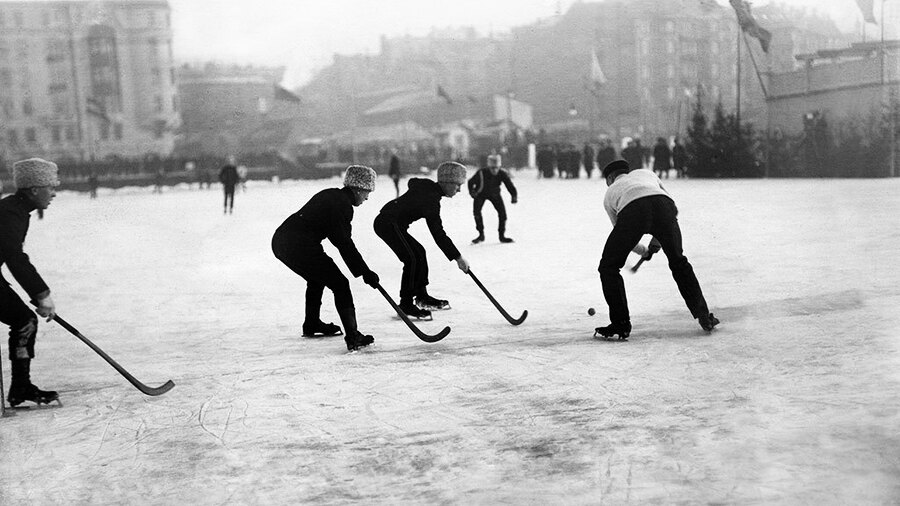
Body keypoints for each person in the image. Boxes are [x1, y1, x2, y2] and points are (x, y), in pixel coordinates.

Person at [595, 159, 719, 339]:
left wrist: (643, 250)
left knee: (608, 267)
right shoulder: (646, 174)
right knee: (679, 262)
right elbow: (668, 206)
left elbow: (623, 235)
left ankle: (620, 324)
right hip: (664, 207)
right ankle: (704, 316)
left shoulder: (610, 193)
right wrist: (656, 242)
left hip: (632, 211)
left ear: (611, 177)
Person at [271, 165, 380, 351]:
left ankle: (312, 323)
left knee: (317, 278)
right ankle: (353, 336)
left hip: (282, 241)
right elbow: (343, 243)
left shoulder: (331, 195)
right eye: (367, 192)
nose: (367, 197)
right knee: (340, 284)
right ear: (358, 189)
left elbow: (339, 239)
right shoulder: (342, 206)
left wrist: (362, 271)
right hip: (297, 245)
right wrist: (364, 272)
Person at [0, 158, 61, 406]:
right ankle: (21, 387)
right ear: (34, 189)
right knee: (24, 320)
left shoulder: (14, 209)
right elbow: (15, 258)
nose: (54, 193)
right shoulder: (10, 213)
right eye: (50, 187)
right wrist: (41, 294)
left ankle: (21, 387)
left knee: (24, 320)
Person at [374, 161, 470, 318]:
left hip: (393, 223)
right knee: (411, 258)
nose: (459, 190)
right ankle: (406, 304)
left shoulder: (428, 189)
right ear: (446, 182)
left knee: (419, 252)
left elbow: (414, 182)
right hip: (387, 223)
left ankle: (422, 296)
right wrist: (458, 258)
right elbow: (438, 234)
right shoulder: (431, 200)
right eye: (457, 185)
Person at [468, 154, 518, 244]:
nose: (494, 170)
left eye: (496, 168)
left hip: (495, 194)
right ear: (488, 167)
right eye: (492, 168)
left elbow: (509, 185)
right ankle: (481, 234)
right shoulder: (481, 172)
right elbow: (470, 182)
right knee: (477, 213)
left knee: (503, 214)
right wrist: (472, 192)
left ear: (499, 167)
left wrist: (514, 195)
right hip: (480, 194)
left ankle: (502, 236)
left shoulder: (502, 173)